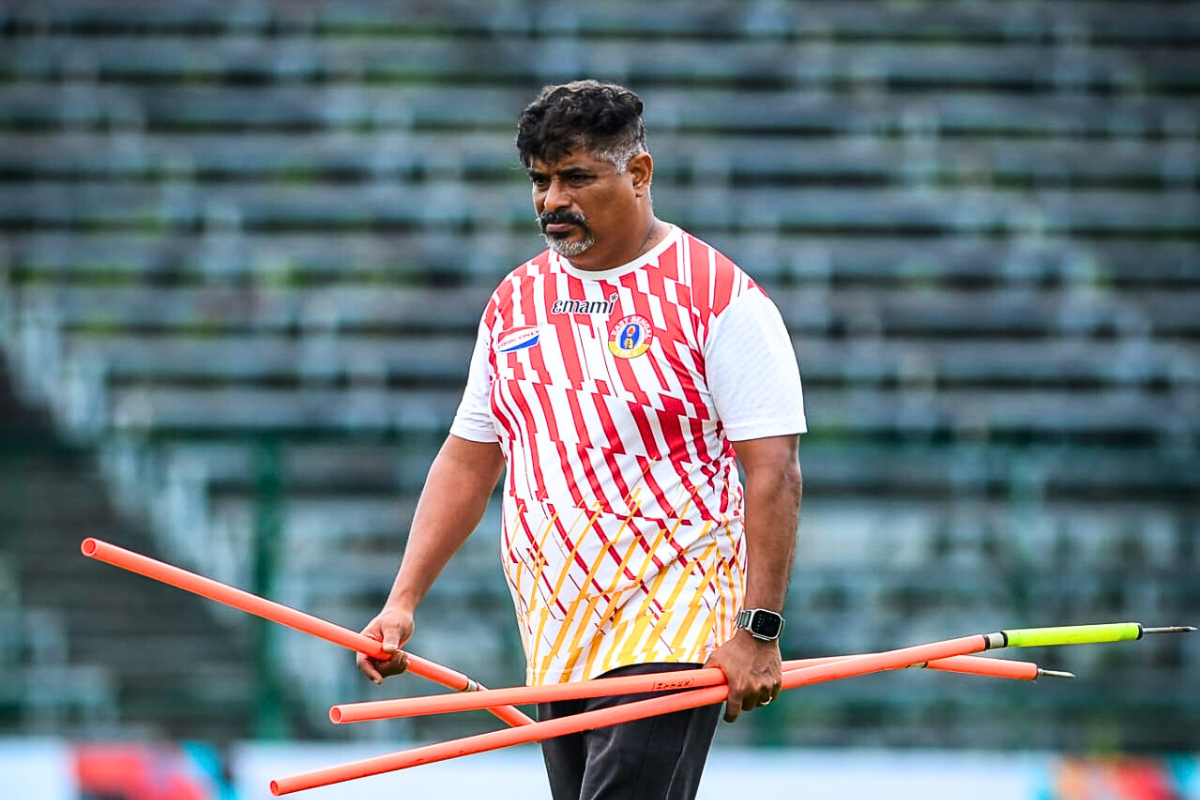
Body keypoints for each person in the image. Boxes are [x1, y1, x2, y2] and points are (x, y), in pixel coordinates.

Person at [357, 79, 806, 800]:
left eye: (575, 177)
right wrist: (402, 601)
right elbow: (470, 461)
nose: (550, 201)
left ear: (639, 173)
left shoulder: (721, 298)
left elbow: (774, 470)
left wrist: (758, 628)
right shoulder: (515, 301)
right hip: (557, 633)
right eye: (539, 180)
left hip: (674, 626)